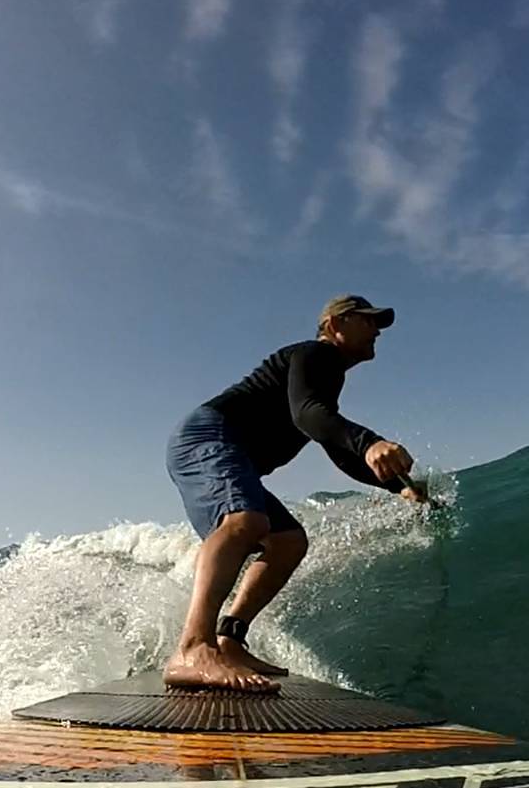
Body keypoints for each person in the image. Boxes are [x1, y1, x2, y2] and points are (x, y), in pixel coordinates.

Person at [164, 295, 429, 693]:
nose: (377, 331)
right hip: (208, 436)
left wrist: (396, 487)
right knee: (245, 522)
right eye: (368, 321)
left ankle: (230, 641)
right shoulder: (314, 355)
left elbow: (332, 443)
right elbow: (309, 415)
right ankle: (192, 648)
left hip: (228, 451)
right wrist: (370, 442)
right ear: (335, 324)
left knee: (288, 541)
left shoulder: (327, 376)